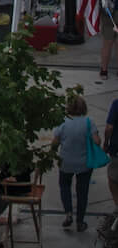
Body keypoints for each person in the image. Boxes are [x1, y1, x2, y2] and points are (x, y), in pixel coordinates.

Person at [52, 90, 99, 232]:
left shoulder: (63, 122)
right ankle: (80, 221)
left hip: (66, 162)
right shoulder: (89, 122)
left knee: (64, 186)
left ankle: (68, 213)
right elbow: (97, 141)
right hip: (84, 163)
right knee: (82, 191)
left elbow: (55, 142)